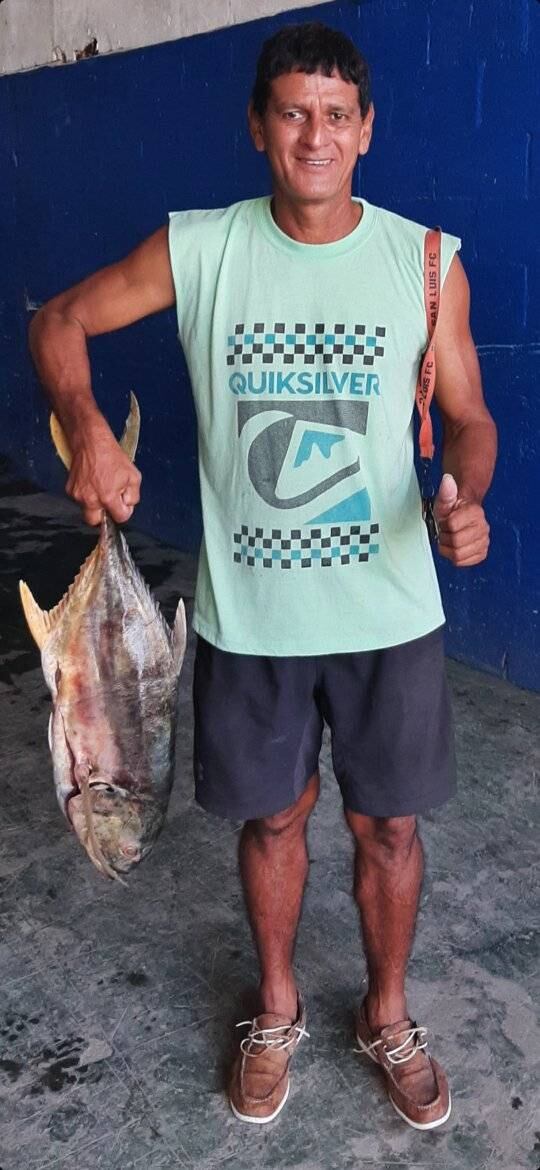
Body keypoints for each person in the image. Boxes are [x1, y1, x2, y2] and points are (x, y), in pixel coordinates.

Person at [29, 22, 496, 1133]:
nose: (315, 134)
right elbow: (59, 324)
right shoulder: (203, 247)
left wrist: (466, 496)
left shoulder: (427, 261)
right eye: (293, 112)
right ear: (258, 126)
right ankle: (277, 1007)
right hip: (252, 617)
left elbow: (470, 418)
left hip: (390, 614)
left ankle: (386, 1012)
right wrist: (86, 429)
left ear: (368, 129)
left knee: (390, 828)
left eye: (337, 114)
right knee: (274, 823)